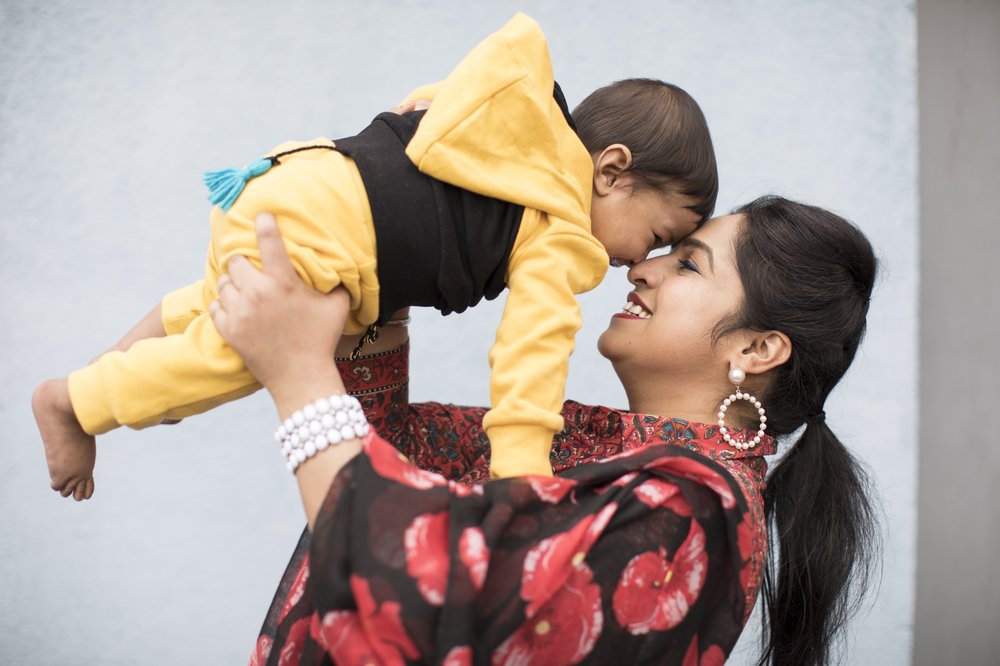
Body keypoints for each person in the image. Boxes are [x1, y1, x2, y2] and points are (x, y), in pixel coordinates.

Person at [32, 13, 718, 498]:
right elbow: (529, 358)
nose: (636, 263)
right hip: (325, 232)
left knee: (218, 305)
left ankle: (123, 361)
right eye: (656, 237)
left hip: (295, 179)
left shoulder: (513, 119)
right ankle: (76, 400)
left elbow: (423, 105)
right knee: (237, 355)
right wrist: (520, 477)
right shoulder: (559, 224)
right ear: (612, 172)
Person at [211, 195, 880, 665]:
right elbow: (384, 442)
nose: (639, 266)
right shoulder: (594, 445)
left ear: (757, 350)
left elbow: (420, 599)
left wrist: (298, 372)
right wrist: (398, 242)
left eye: (688, 265)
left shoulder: (690, 510)